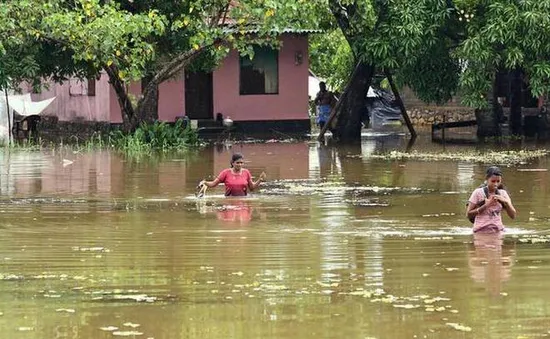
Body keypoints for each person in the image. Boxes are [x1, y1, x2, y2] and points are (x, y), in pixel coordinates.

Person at [466, 166, 517, 233]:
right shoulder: (478, 192)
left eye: (498, 181)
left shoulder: (503, 193)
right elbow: (468, 214)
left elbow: (513, 216)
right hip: (480, 231)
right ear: (487, 179)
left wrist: (506, 202)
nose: (495, 184)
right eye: (493, 181)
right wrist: (486, 205)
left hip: (498, 230)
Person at [198, 153, 266, 197]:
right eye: (237, 163)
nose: (240, 165)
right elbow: (213, 184)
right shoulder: (225, 172)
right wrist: (205, 182)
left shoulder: (246, 172)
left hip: (243, 200)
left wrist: (260, 180)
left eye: (241, 163)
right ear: (232, 163)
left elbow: (251, 188)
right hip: (229, 201)